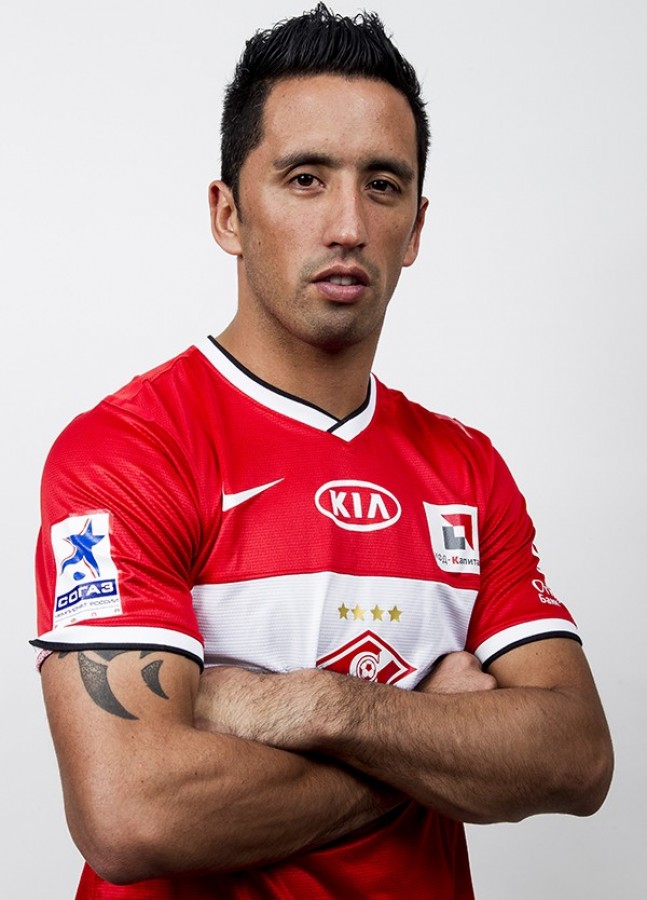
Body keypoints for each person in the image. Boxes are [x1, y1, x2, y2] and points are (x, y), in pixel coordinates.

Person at [32, 4, 613, 898]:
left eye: (382, 184)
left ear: (415, 228)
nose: (347, 224)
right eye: (304, 178)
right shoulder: (128, 451)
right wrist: (429, 741)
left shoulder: (466, 469)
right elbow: (132, 815)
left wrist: (318, 707)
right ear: (228, 213)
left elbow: (574, 758)